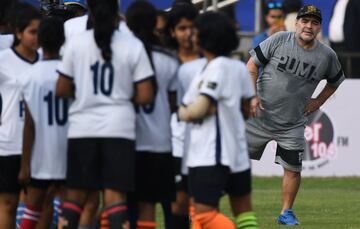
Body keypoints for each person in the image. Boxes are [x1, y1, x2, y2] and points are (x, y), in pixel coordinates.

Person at [55, 0, 155, 228]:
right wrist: (122, 97)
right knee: (115, 198)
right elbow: (146, 95)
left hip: (82, 128)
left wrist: (83, 92)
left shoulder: (76, 43)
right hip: (119, 128)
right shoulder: (132, 45)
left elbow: (61, 89)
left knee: (75, 198)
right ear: (117, 10)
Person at [247, 5, 345, 225]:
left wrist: (318, 101)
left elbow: (336, 81)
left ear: (320, 27)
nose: (309, 26)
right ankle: (208, 204)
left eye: (314, 22)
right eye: (305, 21)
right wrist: (252, 96)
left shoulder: (327, 55)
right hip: (258, 117)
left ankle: (286, 212)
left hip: (291, 124)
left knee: (292, 169)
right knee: (232, 162)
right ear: (297, 22)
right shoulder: (280, 39)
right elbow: (252, 65)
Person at [179, 11, 259, 229]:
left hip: (212, 153)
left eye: (195, 32)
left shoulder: (215, 67)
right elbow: (245, 107)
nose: (191, 37)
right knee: (244, 213)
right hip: (237, 151)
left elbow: (200, 108)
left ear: (206, 36)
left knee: (203, 215)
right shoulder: (237, 67)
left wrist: (181, 112)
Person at [125, 2, 179, 228]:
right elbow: (174, 105)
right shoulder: (167, 59)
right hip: (160, 143)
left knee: (125, 207)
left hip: (126, 142)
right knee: (154, 205)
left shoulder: (120, 55)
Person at [17, 17, 67, 229]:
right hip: (68, 151)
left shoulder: (30, 76)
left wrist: (25, 164)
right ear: (63, 40)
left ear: (40, 41)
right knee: (71, 207)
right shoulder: (69, 73)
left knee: (33, 207)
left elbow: (29, 124)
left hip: (40, 155)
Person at [0, 4, 41, 229]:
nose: (37, 37)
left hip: (41, 144)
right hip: (9, 142)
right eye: (32, 32)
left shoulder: (46, 58)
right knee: (8, 204)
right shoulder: (4, 59)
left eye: (39, 32)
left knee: (36, 205)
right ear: (18, 33)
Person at [165, 2, 199, 228]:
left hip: (202, 146)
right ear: (172, 32)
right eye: (182, 28)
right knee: (176, 206)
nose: (188, 34)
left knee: (201, 207)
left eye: (192, 28)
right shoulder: (165, 62)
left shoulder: (210, 61)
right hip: (173, 144)